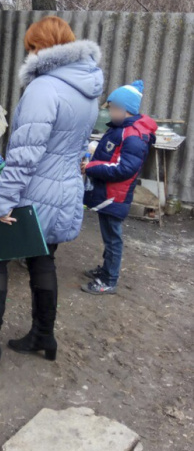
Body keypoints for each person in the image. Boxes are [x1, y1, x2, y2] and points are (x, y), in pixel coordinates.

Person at [0, 16, 103, 369]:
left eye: (31, 48)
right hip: (65, 191)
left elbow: (24, 156)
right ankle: (42, 335)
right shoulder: (88, 91)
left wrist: (1, 203)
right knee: (43, 258)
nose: (29, 54)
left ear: (41, 47)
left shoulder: (44, 88)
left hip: (33, 193)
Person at [82, 80, 157, 294]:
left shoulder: (132, 134)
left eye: (113, 108)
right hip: (109, 192)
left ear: (125, 110)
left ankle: (110, 280)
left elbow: (124, 168)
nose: (110, 112)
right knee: (108, 235)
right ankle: (106, 270)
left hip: (116, 195)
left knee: (113, 238)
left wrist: (92, 167)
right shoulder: (122, 128)